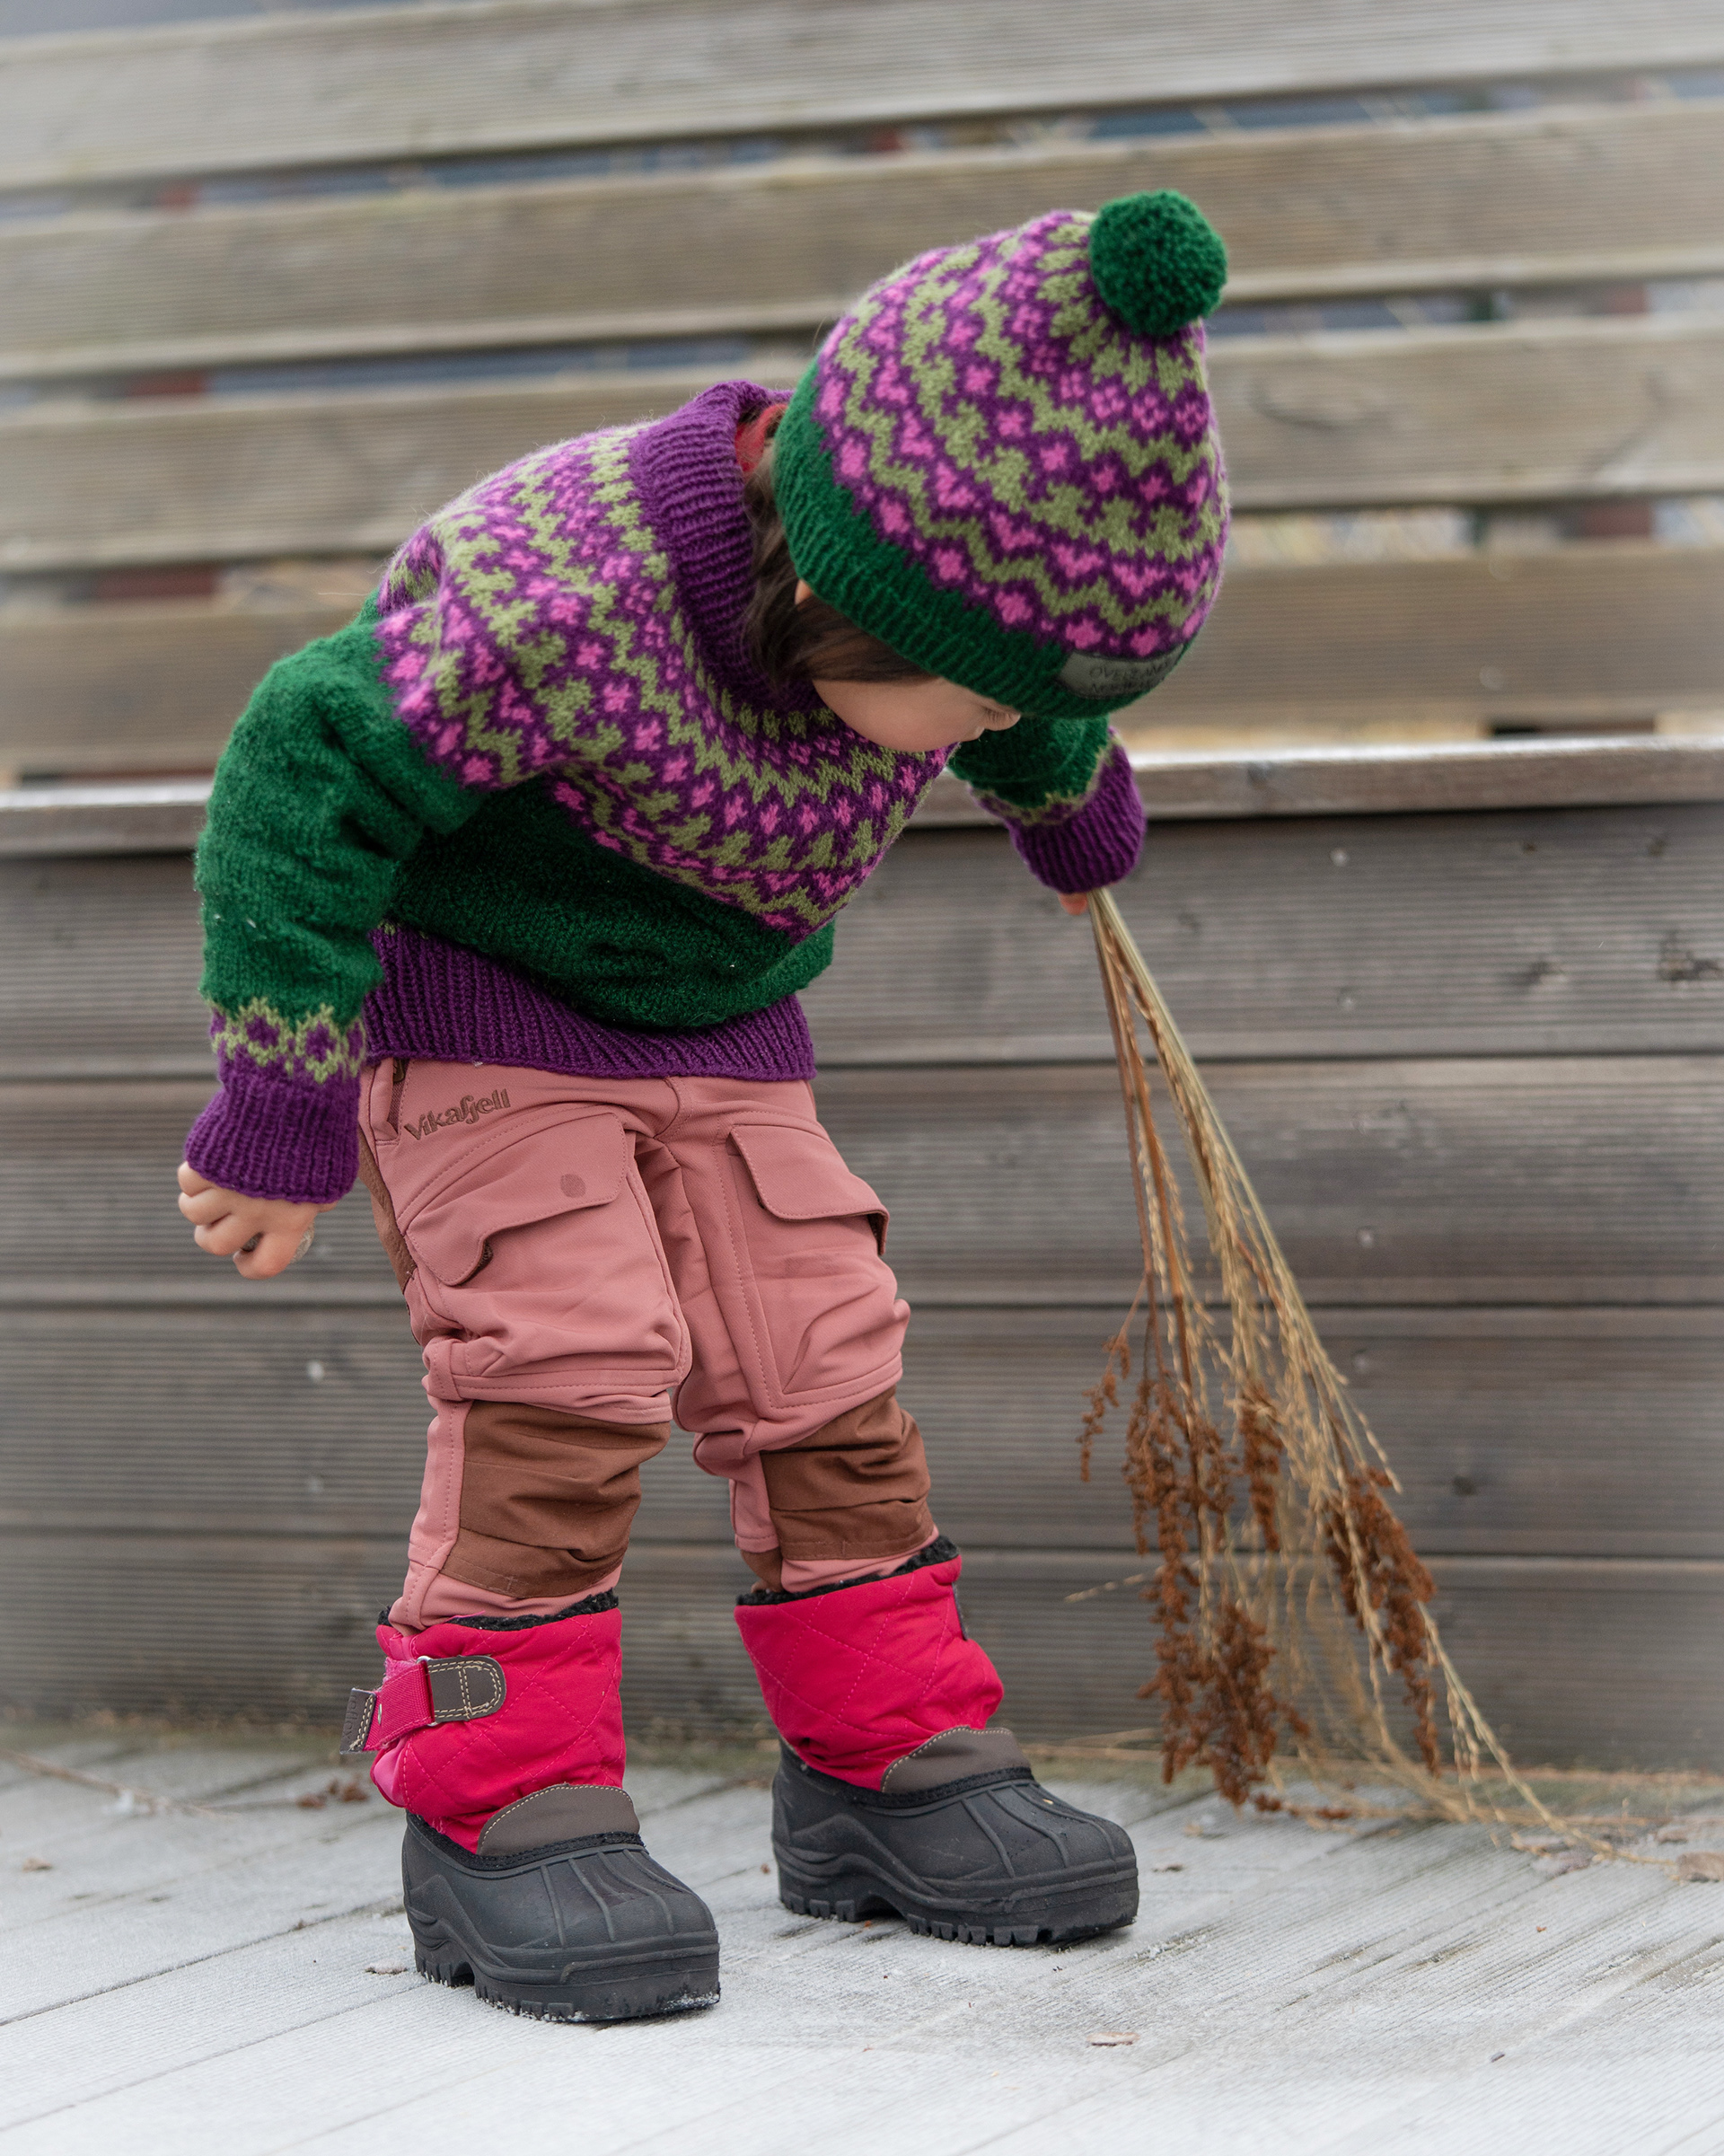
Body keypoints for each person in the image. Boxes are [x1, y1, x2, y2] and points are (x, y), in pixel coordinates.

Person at [174, 189, 1230, 2021]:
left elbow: (1032, 677)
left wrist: (1070, 805)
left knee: (818, 1352)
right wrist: (282, 1102)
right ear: (847, 589)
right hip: (487, 1002)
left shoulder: (959, 596)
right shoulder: (562, 595)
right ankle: (500, 1800)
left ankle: (885, 1768)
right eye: (973, 704)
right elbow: (302, 759)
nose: (993, 729)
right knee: (568, 1358)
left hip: (724, 1021)